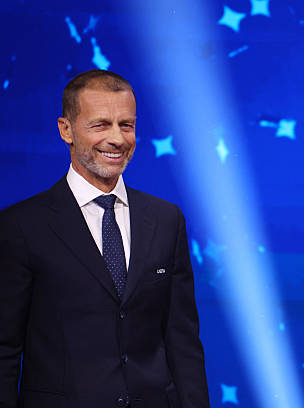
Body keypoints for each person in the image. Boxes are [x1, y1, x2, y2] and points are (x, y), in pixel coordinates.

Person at [0, 70, 210, 408]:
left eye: (126, 125)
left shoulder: (166, 220)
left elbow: (182, 342)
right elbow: (4, 349)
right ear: (66, 130)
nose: (117, 139)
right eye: (100, 125)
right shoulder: (21, 226)